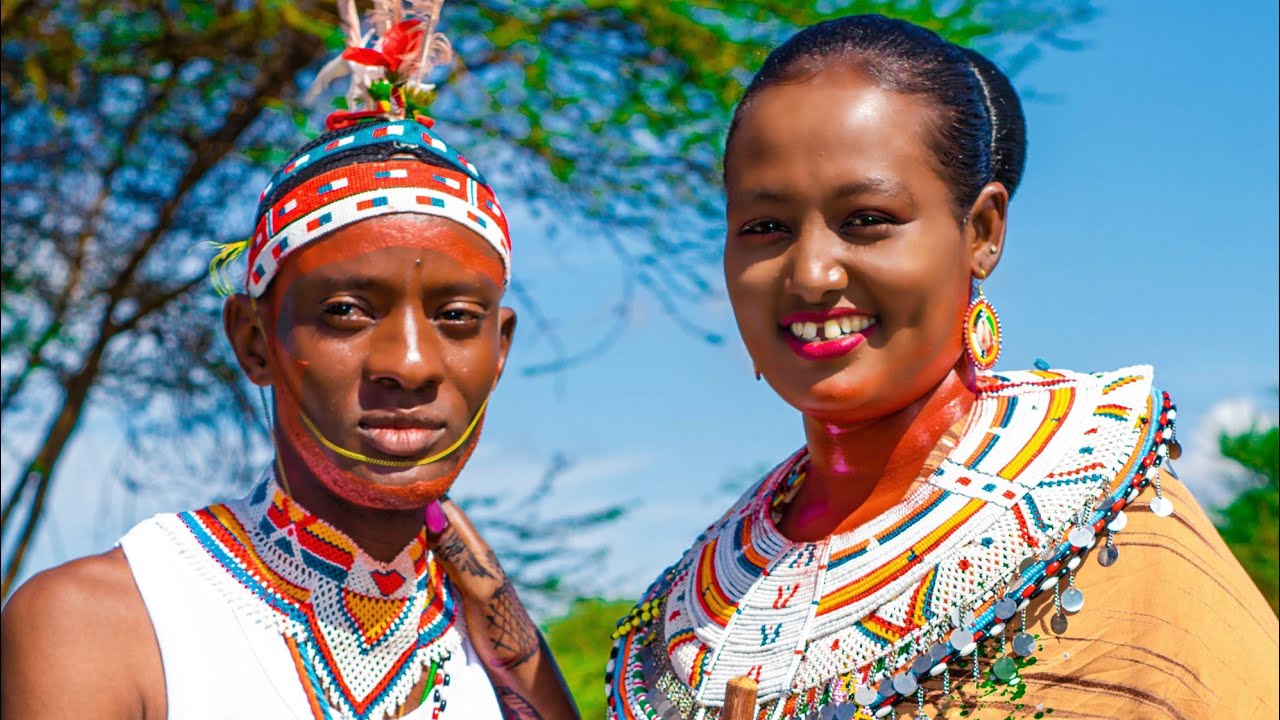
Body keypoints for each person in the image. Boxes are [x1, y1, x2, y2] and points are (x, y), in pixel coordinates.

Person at [606, 14, 1279, 720]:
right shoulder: (693, 605)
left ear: (982, 232)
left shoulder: (1106, 532)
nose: (809, 274)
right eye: (764, 228)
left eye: (867, 219)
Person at [1, 3, 577, 719]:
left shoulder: (499, 658)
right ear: (253, 341)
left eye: (458, 319)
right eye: (346, 312)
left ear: (501, 351)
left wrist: (516, 646)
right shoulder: (108, 622)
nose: (410, 363)